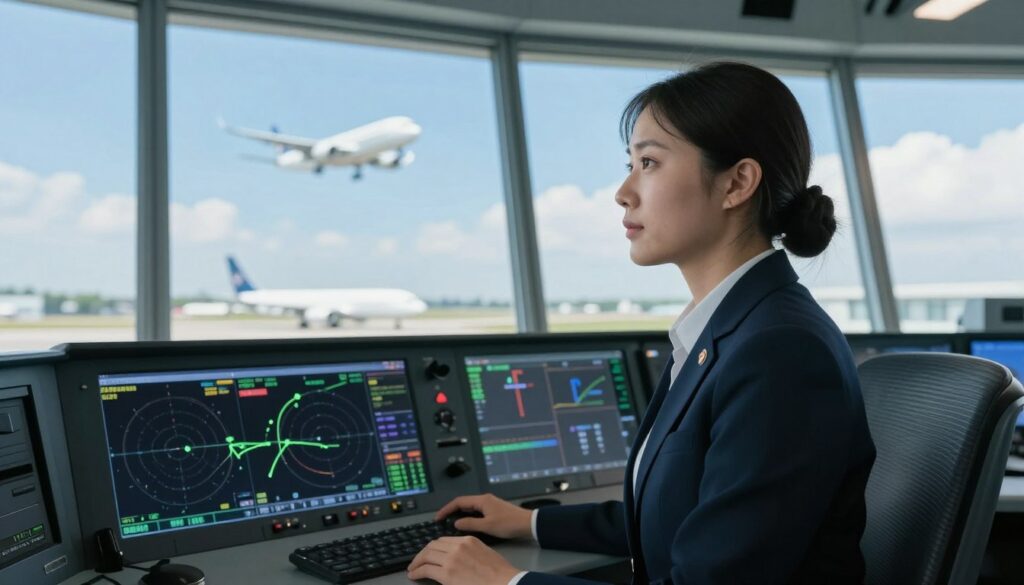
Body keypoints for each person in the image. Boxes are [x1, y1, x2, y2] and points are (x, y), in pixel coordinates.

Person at [406, 61, 876, 585]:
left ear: (737, 183)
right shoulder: (730, 328)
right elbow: (685, 515)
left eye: (648, 162)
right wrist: (530, 522)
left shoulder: (779, 351)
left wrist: (505, 582)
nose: (623, 192)